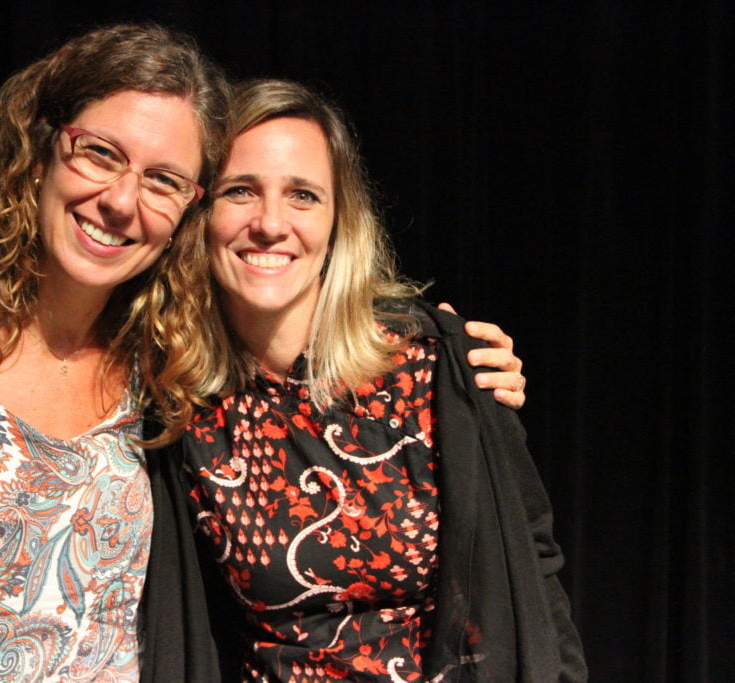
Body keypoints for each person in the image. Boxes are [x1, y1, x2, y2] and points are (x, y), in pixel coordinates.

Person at [0, 24, 526, 682]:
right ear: (42, 147)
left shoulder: (158, 380)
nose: (123, 201)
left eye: (162, 179)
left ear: (186, 208)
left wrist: (448, 350)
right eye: (100, 154)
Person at [141, 80, 586, 681]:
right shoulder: (178, 398)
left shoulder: (437, 364)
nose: (271, 223)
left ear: (338, 220)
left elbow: (532, 559)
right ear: (201, 211)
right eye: (240, 191)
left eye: (303, 195)